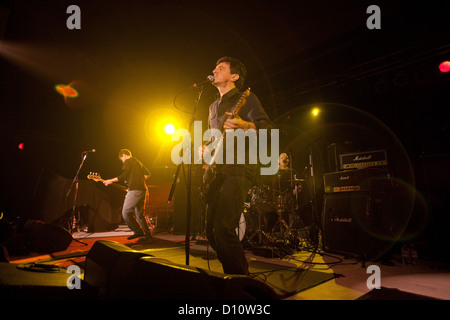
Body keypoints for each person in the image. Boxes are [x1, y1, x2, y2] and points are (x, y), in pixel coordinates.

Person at [199, 57, 273, 275]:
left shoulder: (246, 99)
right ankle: (234, 275)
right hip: (217, 171)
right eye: (215, 67)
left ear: (234, 76)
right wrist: (206, 148)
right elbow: (215, 138)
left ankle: (241, 283)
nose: (214, 70)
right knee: (211, 233)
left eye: (220, 68)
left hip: (240, 168)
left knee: (223, 228)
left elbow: (268, 128)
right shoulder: (212, 107)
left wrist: (245, 124)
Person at [103, 149, 152, 243]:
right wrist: (138, 180)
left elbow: (123, 175)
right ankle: (148, 236)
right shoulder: (138, 162)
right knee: (139, 215)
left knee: (125, 213)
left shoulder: (128, 161)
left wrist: (110, 180)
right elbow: (148, 174)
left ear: (124, 155)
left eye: (122, 159)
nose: (122, 162)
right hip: (142, 190)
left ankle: (138, 231)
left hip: (134, 191)